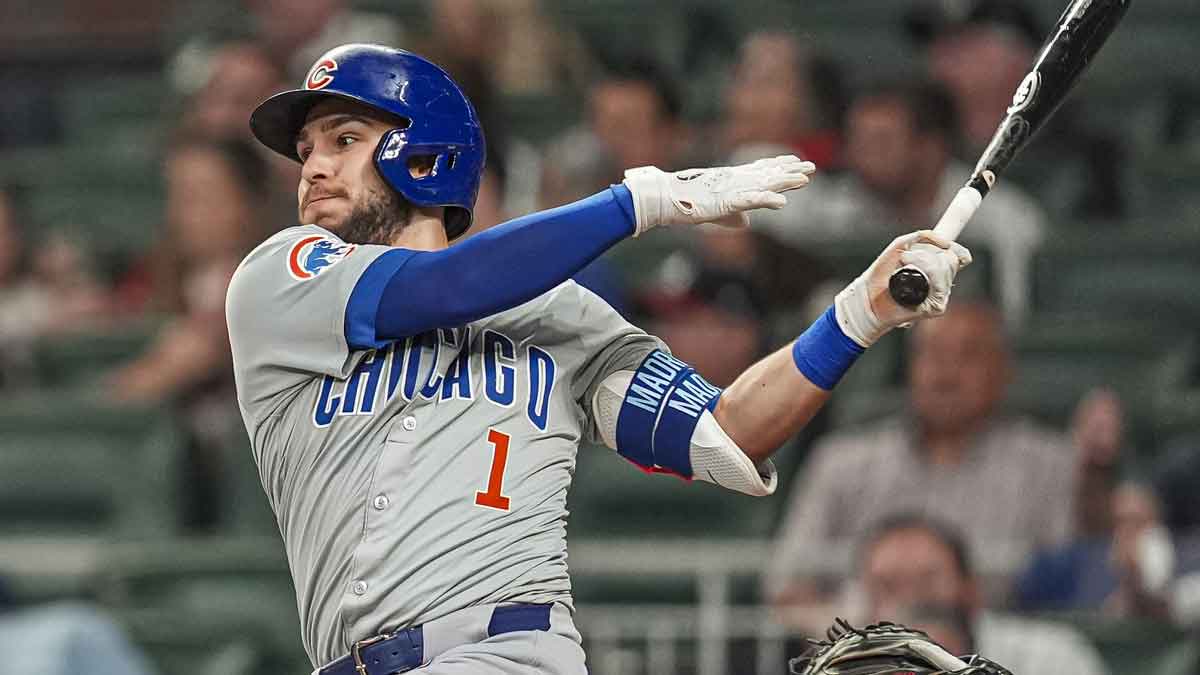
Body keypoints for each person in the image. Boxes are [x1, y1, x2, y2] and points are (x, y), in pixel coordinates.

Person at [227, 43, 971, 674]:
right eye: (306, 151)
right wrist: (637, 203)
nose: (312, 168)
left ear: (425, 153)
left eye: (343, 139)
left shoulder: (559, 317)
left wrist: (861, 312)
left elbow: (732, 430)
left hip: (512, 652)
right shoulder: (279, 280)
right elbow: (445, 285)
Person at [766, 301, 1076, 608]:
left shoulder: (1049, 466)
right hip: (865, 648)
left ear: (1003, 371)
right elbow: (787, 591)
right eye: (932, 353)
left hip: (1004, 651)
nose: (946, 372)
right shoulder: (840, 463)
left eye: (967, 355)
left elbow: (1069, 591)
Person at [751, 78, 1046, 319]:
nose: (861, 156)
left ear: (931, 149)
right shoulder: (838, 207)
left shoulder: (1000, 217)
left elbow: (1013, 318)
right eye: (858, 141)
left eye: (881, 142)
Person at [854, 515, 1110, 675]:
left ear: (971, 590)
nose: (910, 600)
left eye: (927, 582)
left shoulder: (1052, 657)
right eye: (888, 586)